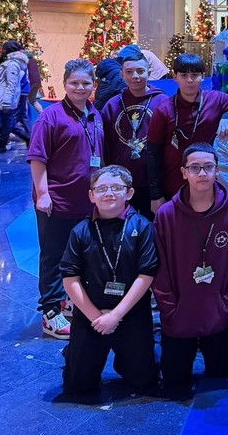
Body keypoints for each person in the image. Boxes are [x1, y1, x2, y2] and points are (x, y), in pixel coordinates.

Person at [153, 142, 228, 397]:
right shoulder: (166, 214)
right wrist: (169, 308)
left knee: (222, 374)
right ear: (184, 172)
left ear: (217, 171)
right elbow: (158, 267)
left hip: (218, 314)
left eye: (208, 167)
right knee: (173, 381)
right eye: (195, 168)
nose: (202, 174)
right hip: (179, 315)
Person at [60, 165, 159, 399]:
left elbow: (146, 275)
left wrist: (115, 316)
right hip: (91, 314)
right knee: (79, 385)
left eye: (116, 188)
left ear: (130, 193)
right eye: (101, 188)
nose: (109, 194)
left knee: (144, 381)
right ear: (91, 195)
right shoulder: (80, 231)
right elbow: (70, 278)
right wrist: (97, 317)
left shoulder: (142, 227)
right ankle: (72, 352)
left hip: (131, 313)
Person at [27, 58, 102, 338]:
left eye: (85, 83)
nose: (80, 88)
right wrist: (43, 194)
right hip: (57, 201)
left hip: (86, 200)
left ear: (93, 85)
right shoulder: (51, 116)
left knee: (78, 255)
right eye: (74, 83)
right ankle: (50, 312)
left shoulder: (95, 114)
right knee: (53, 256)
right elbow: (37, 157)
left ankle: (68, 301)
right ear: (64, 84)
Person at [146, 52, 228, 212]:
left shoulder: (216, 99)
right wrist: (155, 195)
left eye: (195, 75)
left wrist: (227, 116)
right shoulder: (163, 110)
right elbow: (153, 154)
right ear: (175, 77)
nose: (189, 80)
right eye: (183, 75)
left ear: (203, 77)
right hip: (173, 188)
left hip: (210, 187)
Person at [101, 47, 168, 219]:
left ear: (149, 72)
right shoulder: (112, 105)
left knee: (152, 231)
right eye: (129, 72)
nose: (135, 76)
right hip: (120, 181)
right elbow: (105, 143)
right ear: (122, 75)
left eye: (140, 71)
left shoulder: (162, 102)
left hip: (153, 182)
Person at [25, 51, 44, 116]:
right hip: (36, 82)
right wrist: (40, 85)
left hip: (30, 82)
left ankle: (25, 117)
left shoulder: (26, 61)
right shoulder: (33, 61)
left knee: (24, 100)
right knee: (33, 100)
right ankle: (41, 114)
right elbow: (37, 73)